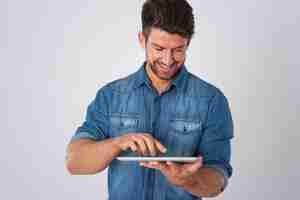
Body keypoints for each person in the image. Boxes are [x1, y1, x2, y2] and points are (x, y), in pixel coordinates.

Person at [65, 0, 234, 199]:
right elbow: (75, 162)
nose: (168, 60)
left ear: (188, 43)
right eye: (159, 48)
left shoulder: (212, 101)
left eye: (178, 50)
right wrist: (118, 142)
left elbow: (218, 179)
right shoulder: (111, 96)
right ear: (141, 39)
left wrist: (187, 180)